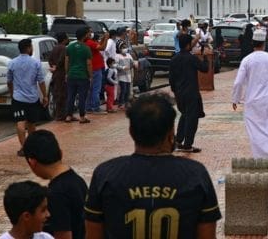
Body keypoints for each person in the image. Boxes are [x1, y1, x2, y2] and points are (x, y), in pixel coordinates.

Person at [84, 93, 221, 238]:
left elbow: (93, 235)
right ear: (171, 133)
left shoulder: (105, 175)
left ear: (131, 132)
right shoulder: (196, 175)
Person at [232, 29, 268, 167]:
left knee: (255, 131)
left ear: (253, 43)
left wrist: (235, 99)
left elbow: (238, 82)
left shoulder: (247, 60)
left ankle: (261, 158)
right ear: (264, 43)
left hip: (251, 101)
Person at [22, 130, 88, 239]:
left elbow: (63, 235)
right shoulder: (77, 180)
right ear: (61, 153)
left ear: (32, 162)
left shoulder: (56, 193)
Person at [7, 38, 48, 157]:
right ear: (29, 48)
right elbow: (41, 81)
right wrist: (44, 96)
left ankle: (24, 148)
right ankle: (31, 148)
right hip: (32, 98)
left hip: (18, 97)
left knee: (20, 122)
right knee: (31, 123)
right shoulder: (36, 63)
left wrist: (12, 93)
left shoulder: (12, 63)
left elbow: (9, 81)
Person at [169, 33, 208, 153]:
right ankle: (188, 145)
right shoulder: (191, 58)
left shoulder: (174, 59)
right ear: (187, 45)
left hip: (180, 93)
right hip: (191, 93)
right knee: (192, 119)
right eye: (190, 43)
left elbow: (171, 79)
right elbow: (204, 69)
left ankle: (178, 140)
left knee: (184, 115)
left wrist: (176, 92)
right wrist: (205, 57)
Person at [64, 27, 92, 124]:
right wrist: (90, 75)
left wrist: (67, 73)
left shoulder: (70, 47)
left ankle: (68, 115)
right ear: (84, 36)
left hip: (71, 75)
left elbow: (66, 61)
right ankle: (82, 116)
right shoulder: (86, 48)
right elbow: (88, 63)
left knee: (70, 96)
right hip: (82, 76)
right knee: (82, 97)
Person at [85, 28, 108, 115]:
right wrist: (106, 38)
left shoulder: (88, 43)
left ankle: (89, 107)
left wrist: (102, 39)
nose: (92, 33)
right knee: (96, 89)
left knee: (90, 89)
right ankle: (95, 107)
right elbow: (102, 48)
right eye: (90, 32)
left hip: (93, 69)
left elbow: (98, 45)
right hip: (95, 68)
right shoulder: (90, 43)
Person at [49, 33, 69, 122]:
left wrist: (53, 66)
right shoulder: (64, 48)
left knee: (57, 94)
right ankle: (61, 115)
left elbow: (50, 59)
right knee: (62, 94)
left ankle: (59, 114)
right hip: (61, 73)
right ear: (64, 39)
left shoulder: (54, 48)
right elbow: (62, 60)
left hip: (56, 74)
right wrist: (57, 66)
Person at [115, 42, 136, 110]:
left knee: (127, 90)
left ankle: (127, 103)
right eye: (123, 47)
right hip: (121, 76)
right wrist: (122, 67)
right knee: (123, 90)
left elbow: (132, 62)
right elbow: (115, 65)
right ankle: (121, 103)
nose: (125, 49)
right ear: (119, 48)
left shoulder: (128, 55)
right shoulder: (117, 56)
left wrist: (135, 64)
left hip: (128, 76)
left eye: (125, 47)